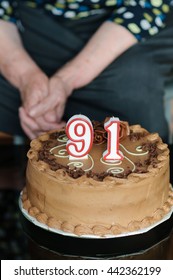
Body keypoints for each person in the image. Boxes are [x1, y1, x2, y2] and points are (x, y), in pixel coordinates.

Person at [0, 0, 173, 142]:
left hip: (127, 27)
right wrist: (27, 78)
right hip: (27, 24)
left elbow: (147, 6)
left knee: (135, 91)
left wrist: (66, 80)